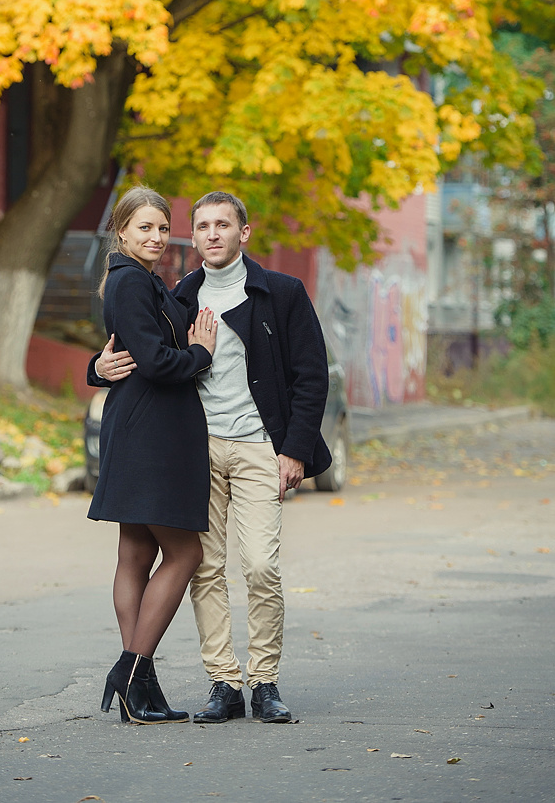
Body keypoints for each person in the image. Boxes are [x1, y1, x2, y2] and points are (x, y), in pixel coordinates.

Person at [95, 191, 330, 724]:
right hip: (195, 448)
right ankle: (223, 683)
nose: (214, 233)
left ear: (244, 233)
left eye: (224, 224)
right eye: (203, 226)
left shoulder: (283, 294)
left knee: (261, 566)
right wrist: (96, 366)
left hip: (257, 447)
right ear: (195, 237)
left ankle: (264, 681)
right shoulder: (181, 292)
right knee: (205, 568)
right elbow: (139, 347)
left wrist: (293, 449)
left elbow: (312, 376)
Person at [87, 186, 218, 725]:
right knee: (184, 554)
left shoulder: (142, 282)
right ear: (121, 232)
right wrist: (201, 353)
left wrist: (97, 368)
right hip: (151, 433)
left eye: (163, 228)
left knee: (137, 554)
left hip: (140, 425)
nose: (157, 237)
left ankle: (140, 685)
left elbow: (128, 356)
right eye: (145, 228)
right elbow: (160, 362)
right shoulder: (129, 284)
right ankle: (133, 669)